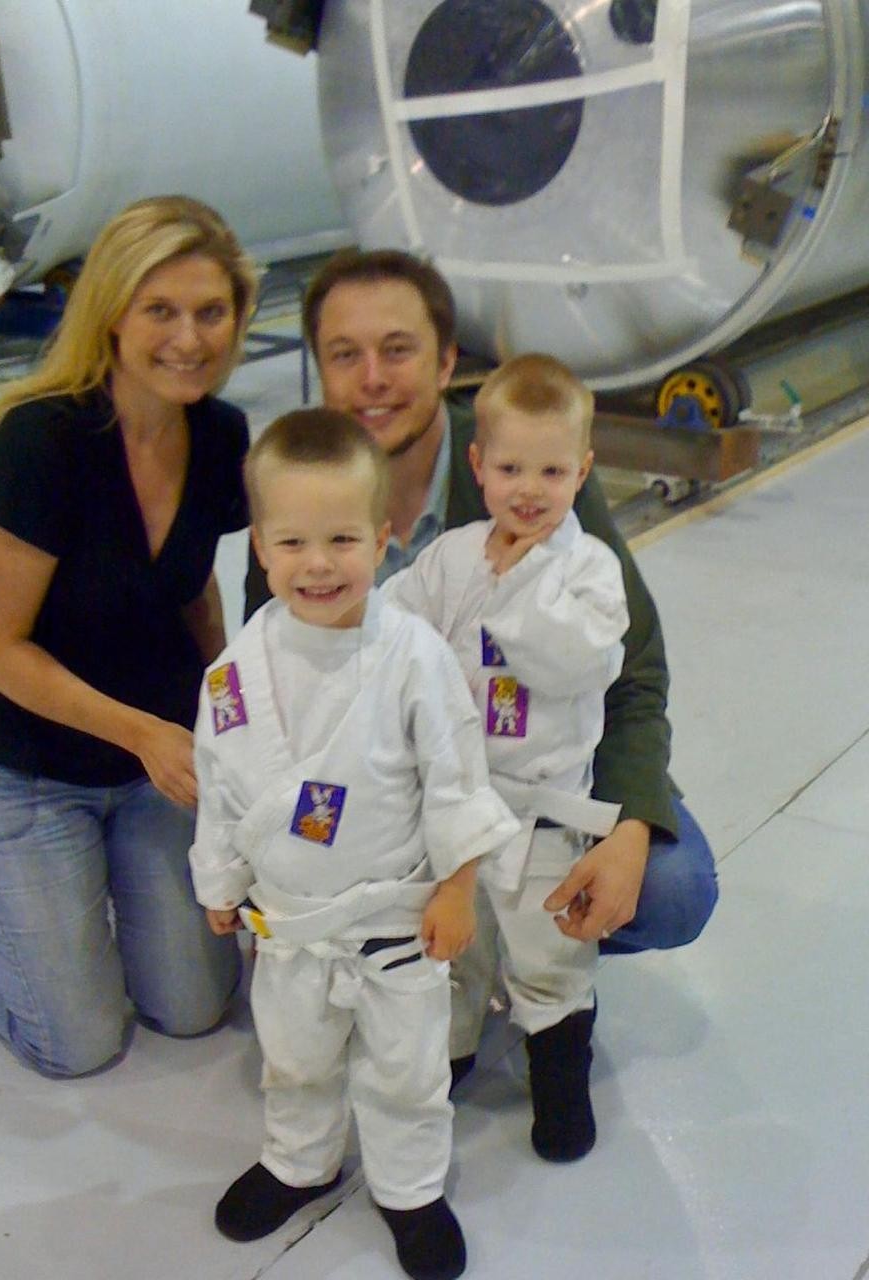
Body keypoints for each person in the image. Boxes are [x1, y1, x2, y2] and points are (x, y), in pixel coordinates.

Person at [243, 247, 718, 1075]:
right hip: (398, 786)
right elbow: (284, 681)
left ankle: (533, 953)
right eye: (345, 354)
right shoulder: (303, 484)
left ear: (446, 361)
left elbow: (634, 673)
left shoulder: (527, 461)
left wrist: (632, 826)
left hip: (536, 770)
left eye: (398, 349)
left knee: (671, 888)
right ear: (318, 369)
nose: (372, 378)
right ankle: (447, 955)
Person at [0, 195, 259, 1077]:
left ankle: (73, 915)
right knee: (73, 1041)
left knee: (194, 1008)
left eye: (211, 312)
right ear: (112, 314)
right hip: (28, 765)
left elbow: (193, 583)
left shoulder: (220, 434)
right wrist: (142, 732)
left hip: (152, 763)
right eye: (160, 310)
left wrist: (225, 710)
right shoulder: (40, 443)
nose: (189, 338)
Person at [191, 410, 519, 1280]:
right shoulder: (234, 672)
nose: (319, 564)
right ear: (260, 546)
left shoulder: (413, 656)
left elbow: (456, 776)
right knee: (294, 1057)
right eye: (293, 542)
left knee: (405, 1070)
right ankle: (299, 1161)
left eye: (342, 539)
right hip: (290, 921)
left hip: (395, 923)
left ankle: (411, 1189)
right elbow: (221, 784)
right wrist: (220, 879)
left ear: (383, 540)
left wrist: (457, 887)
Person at [384, 353, 629, 1162]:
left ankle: (559, 1075)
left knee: (549, 950)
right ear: (479, 465)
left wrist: (521, 585)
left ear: (582, 472)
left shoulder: (589, 570)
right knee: (457, 946)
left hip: (540, 807)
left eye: (552, 472)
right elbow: (394, 628)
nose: (530, 489)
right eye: (511, 468)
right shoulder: (451, 557)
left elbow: (579, 664)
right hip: (455, 803)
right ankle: (451, 1051)